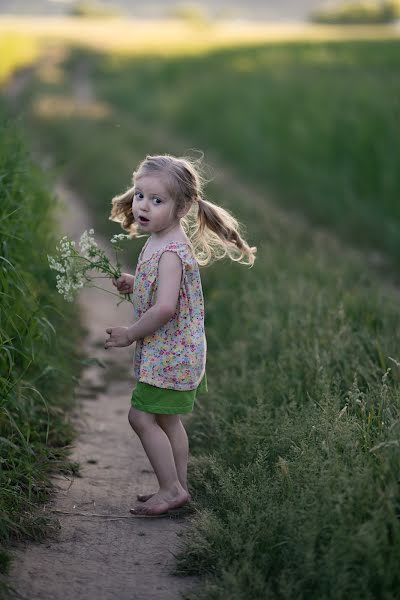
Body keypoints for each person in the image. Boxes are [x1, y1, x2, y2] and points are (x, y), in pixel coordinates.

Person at [104, 153, 256, 517]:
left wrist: (129, 334)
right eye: (140, 195)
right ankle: (178, 487)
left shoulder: (170, 251)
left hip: (170, 355)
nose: (143, 206)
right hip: (174, 353)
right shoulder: (158, 240)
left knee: (140, 418)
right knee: (167, 420)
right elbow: (159, 292)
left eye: (157, 201)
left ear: (183, 207)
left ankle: (171, 489)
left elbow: (165, 308)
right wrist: (135, 284)